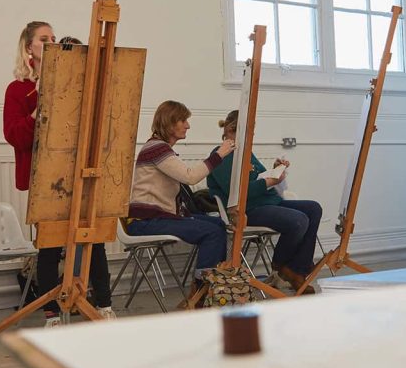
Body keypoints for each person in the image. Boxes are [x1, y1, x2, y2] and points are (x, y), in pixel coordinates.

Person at [4, 22, 115, 326]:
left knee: (93, 240)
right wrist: (39, 104)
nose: (52, 43)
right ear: (29, 48)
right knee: (50, 245)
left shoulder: (76, 85)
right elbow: (15, 135)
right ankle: (51, 313)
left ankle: (104, 305)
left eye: (54, 38)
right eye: (44, 39)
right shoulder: (18, 90)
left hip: (79, 173)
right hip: (45, 180)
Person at [127, 101, 235, 299]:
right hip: (145, 222)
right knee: (211, 231)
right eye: (183, 120)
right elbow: (190, 176)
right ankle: (202, 291)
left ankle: (212, 283)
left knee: (218, 224)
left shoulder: (159, 148)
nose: (188, 125)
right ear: (170, 123)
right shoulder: (157, 149)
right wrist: (219, 155)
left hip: (156, 218)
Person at [206, 110, 321, 294]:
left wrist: (274, 171)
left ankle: (296, 270)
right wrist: (267, 182)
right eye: (249, 132)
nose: (251, 136)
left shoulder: (245, 152)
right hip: (246, 209)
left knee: (313, 209)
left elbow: (258, 177)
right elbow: (238, 192)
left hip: (267, 202)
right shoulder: (221, 155)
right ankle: (282, 266)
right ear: (233, 131)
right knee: (298, 220)